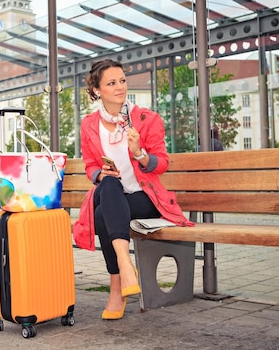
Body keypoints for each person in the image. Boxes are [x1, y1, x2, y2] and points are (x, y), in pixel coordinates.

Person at [80, 59, 194, 321]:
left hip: (144, 198)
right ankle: (125, 263)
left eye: (122, 80)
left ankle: (118, 285)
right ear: (97, 90)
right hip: (111, 194)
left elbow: (161, 163)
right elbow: (89, 166)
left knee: (101, 216)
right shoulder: (89, 125)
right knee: (109, 184)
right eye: (111, 83)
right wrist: (100, 173)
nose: (120, 87)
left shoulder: (146, 119)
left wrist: (139, 154)